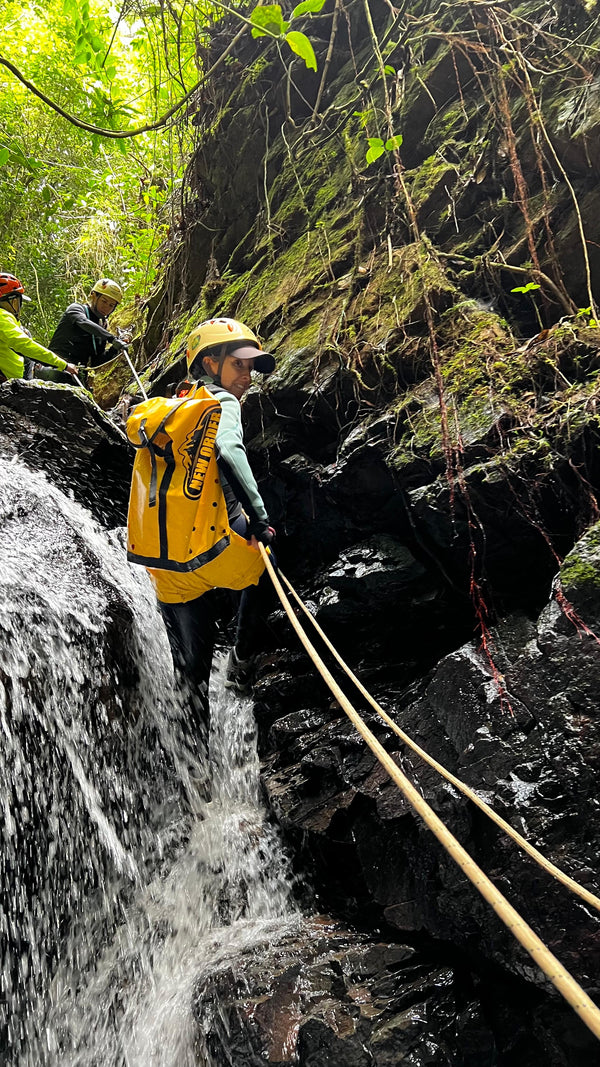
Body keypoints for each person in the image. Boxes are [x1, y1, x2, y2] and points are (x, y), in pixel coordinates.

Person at [144, 317, 276, 748]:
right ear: (209, 363)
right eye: (239, 364)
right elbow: (228, 449)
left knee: (191, 673)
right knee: (267, 559)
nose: (247, 376)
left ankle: (196, 777)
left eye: (252, 367)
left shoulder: (172, 410)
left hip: (167, 561)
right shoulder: (222, 403)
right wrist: (258, 518)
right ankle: (241, 656)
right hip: (213, 543)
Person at [0, 273, 78, 383]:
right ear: (12, 300)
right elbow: (25, 346)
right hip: (6, 384)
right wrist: (63, 365)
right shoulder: (2, 317)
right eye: (18, 301)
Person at [48, 278, 130, 368]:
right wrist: (112, 339)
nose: (106, 307)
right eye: (104, 301)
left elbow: (97, 362)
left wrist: (114, 348)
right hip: (53, 367)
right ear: (94, 295)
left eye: (111, 305)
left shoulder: (101, 329)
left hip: (75, 374)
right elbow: (83, 322)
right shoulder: (76, 309)